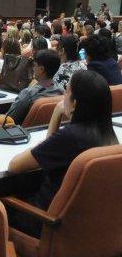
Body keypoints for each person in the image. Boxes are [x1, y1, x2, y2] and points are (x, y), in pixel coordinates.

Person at [8, 70, 118, 236]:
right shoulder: (110, 137)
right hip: (89, 230)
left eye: (66, 91)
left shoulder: (71, 137)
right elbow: (49, 152)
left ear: (75, 104)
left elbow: (14, 166)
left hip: (48, 224)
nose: (62, 96)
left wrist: (56, 114)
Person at [6, 50, 63, 125]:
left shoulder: (28, 94)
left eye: (34, 65)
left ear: (41, 69)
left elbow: (8, 120)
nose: (32, 68)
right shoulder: (61, 91)